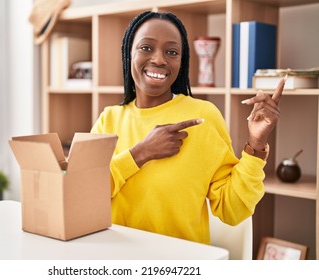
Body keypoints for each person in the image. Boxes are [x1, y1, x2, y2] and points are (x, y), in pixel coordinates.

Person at [91, 11, 284, 244]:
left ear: (180, 63)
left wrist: (256, 144)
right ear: (128, 53)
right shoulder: (109, 119)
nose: (159, 59)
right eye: (146, 48)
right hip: (116, 259)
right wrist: (141, 153)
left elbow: (232, 210)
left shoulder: (203, 116)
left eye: (172, 52)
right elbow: (86, 195)